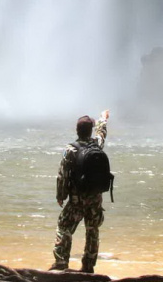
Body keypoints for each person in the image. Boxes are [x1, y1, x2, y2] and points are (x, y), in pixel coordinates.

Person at [51, 109, 112, 273]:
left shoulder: (71, 149)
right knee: (92, 231)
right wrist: (103, 118)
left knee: (64, 228)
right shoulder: (97, 144)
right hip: (95, 199)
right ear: (89, 131)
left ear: (77, 131)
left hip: (77, 200)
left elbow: (62, 175)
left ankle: (61, 263)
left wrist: (60, 195)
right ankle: (88, 265)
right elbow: (102, 133)